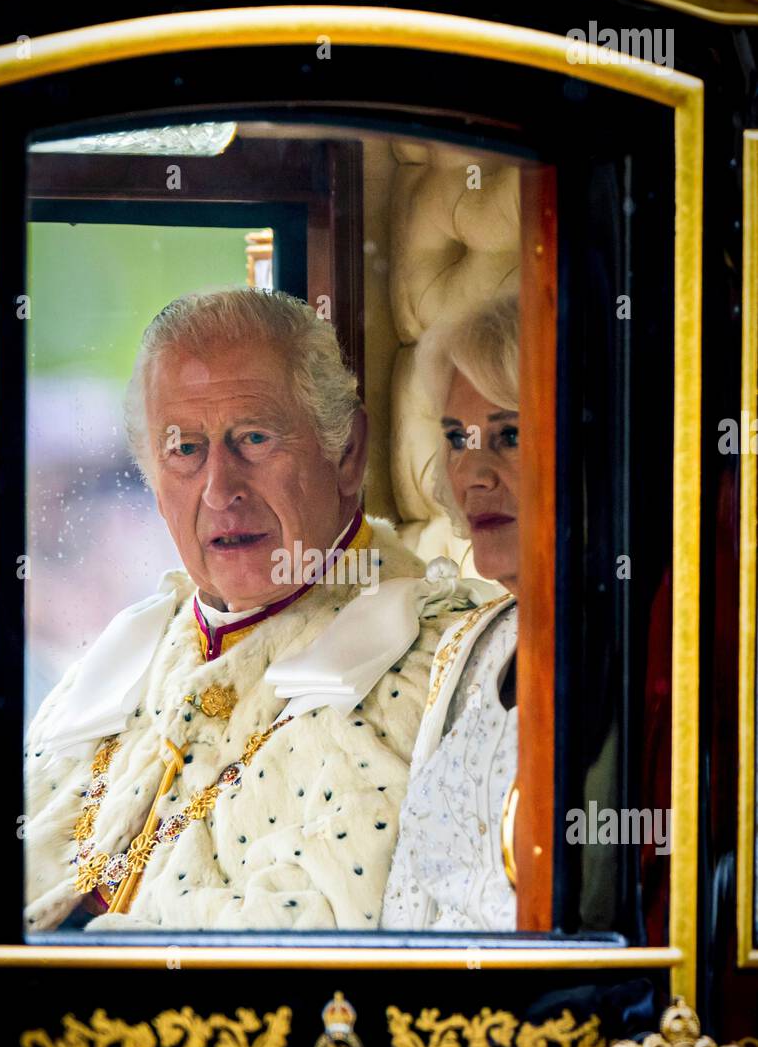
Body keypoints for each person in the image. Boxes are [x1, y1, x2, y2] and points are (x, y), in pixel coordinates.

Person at [24, 288, 479, 933]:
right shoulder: (126, 652)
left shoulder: (436, 669)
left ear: (347, 452)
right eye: (184, 450)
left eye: (255, 439)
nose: (219, 491)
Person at [380, 295, 520, 931]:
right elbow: (409, 896)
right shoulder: (472, 641)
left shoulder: (665, 650)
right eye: (458, 441)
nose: (474, 475)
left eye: (509, 436)